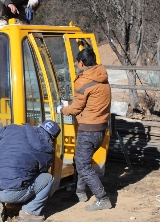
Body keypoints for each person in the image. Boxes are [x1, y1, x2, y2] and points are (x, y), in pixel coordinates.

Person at [56, 47, 112, 212]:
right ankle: (80, 192)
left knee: (82, 164)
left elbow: (76, 108)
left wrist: (61, 109)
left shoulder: (84, 80)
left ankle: (102, 198)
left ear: (81, 63)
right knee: (82, 160)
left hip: (88, 129)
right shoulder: (102, 77)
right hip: (101, 128)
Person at [0, 120, 61, 222]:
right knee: (47, 179)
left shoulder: (13, 128)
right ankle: (29, 214)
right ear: (53, 138)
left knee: (0, 172)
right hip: (11, 193)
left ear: (39, 125)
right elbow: (41, 171)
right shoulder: (47, 149)